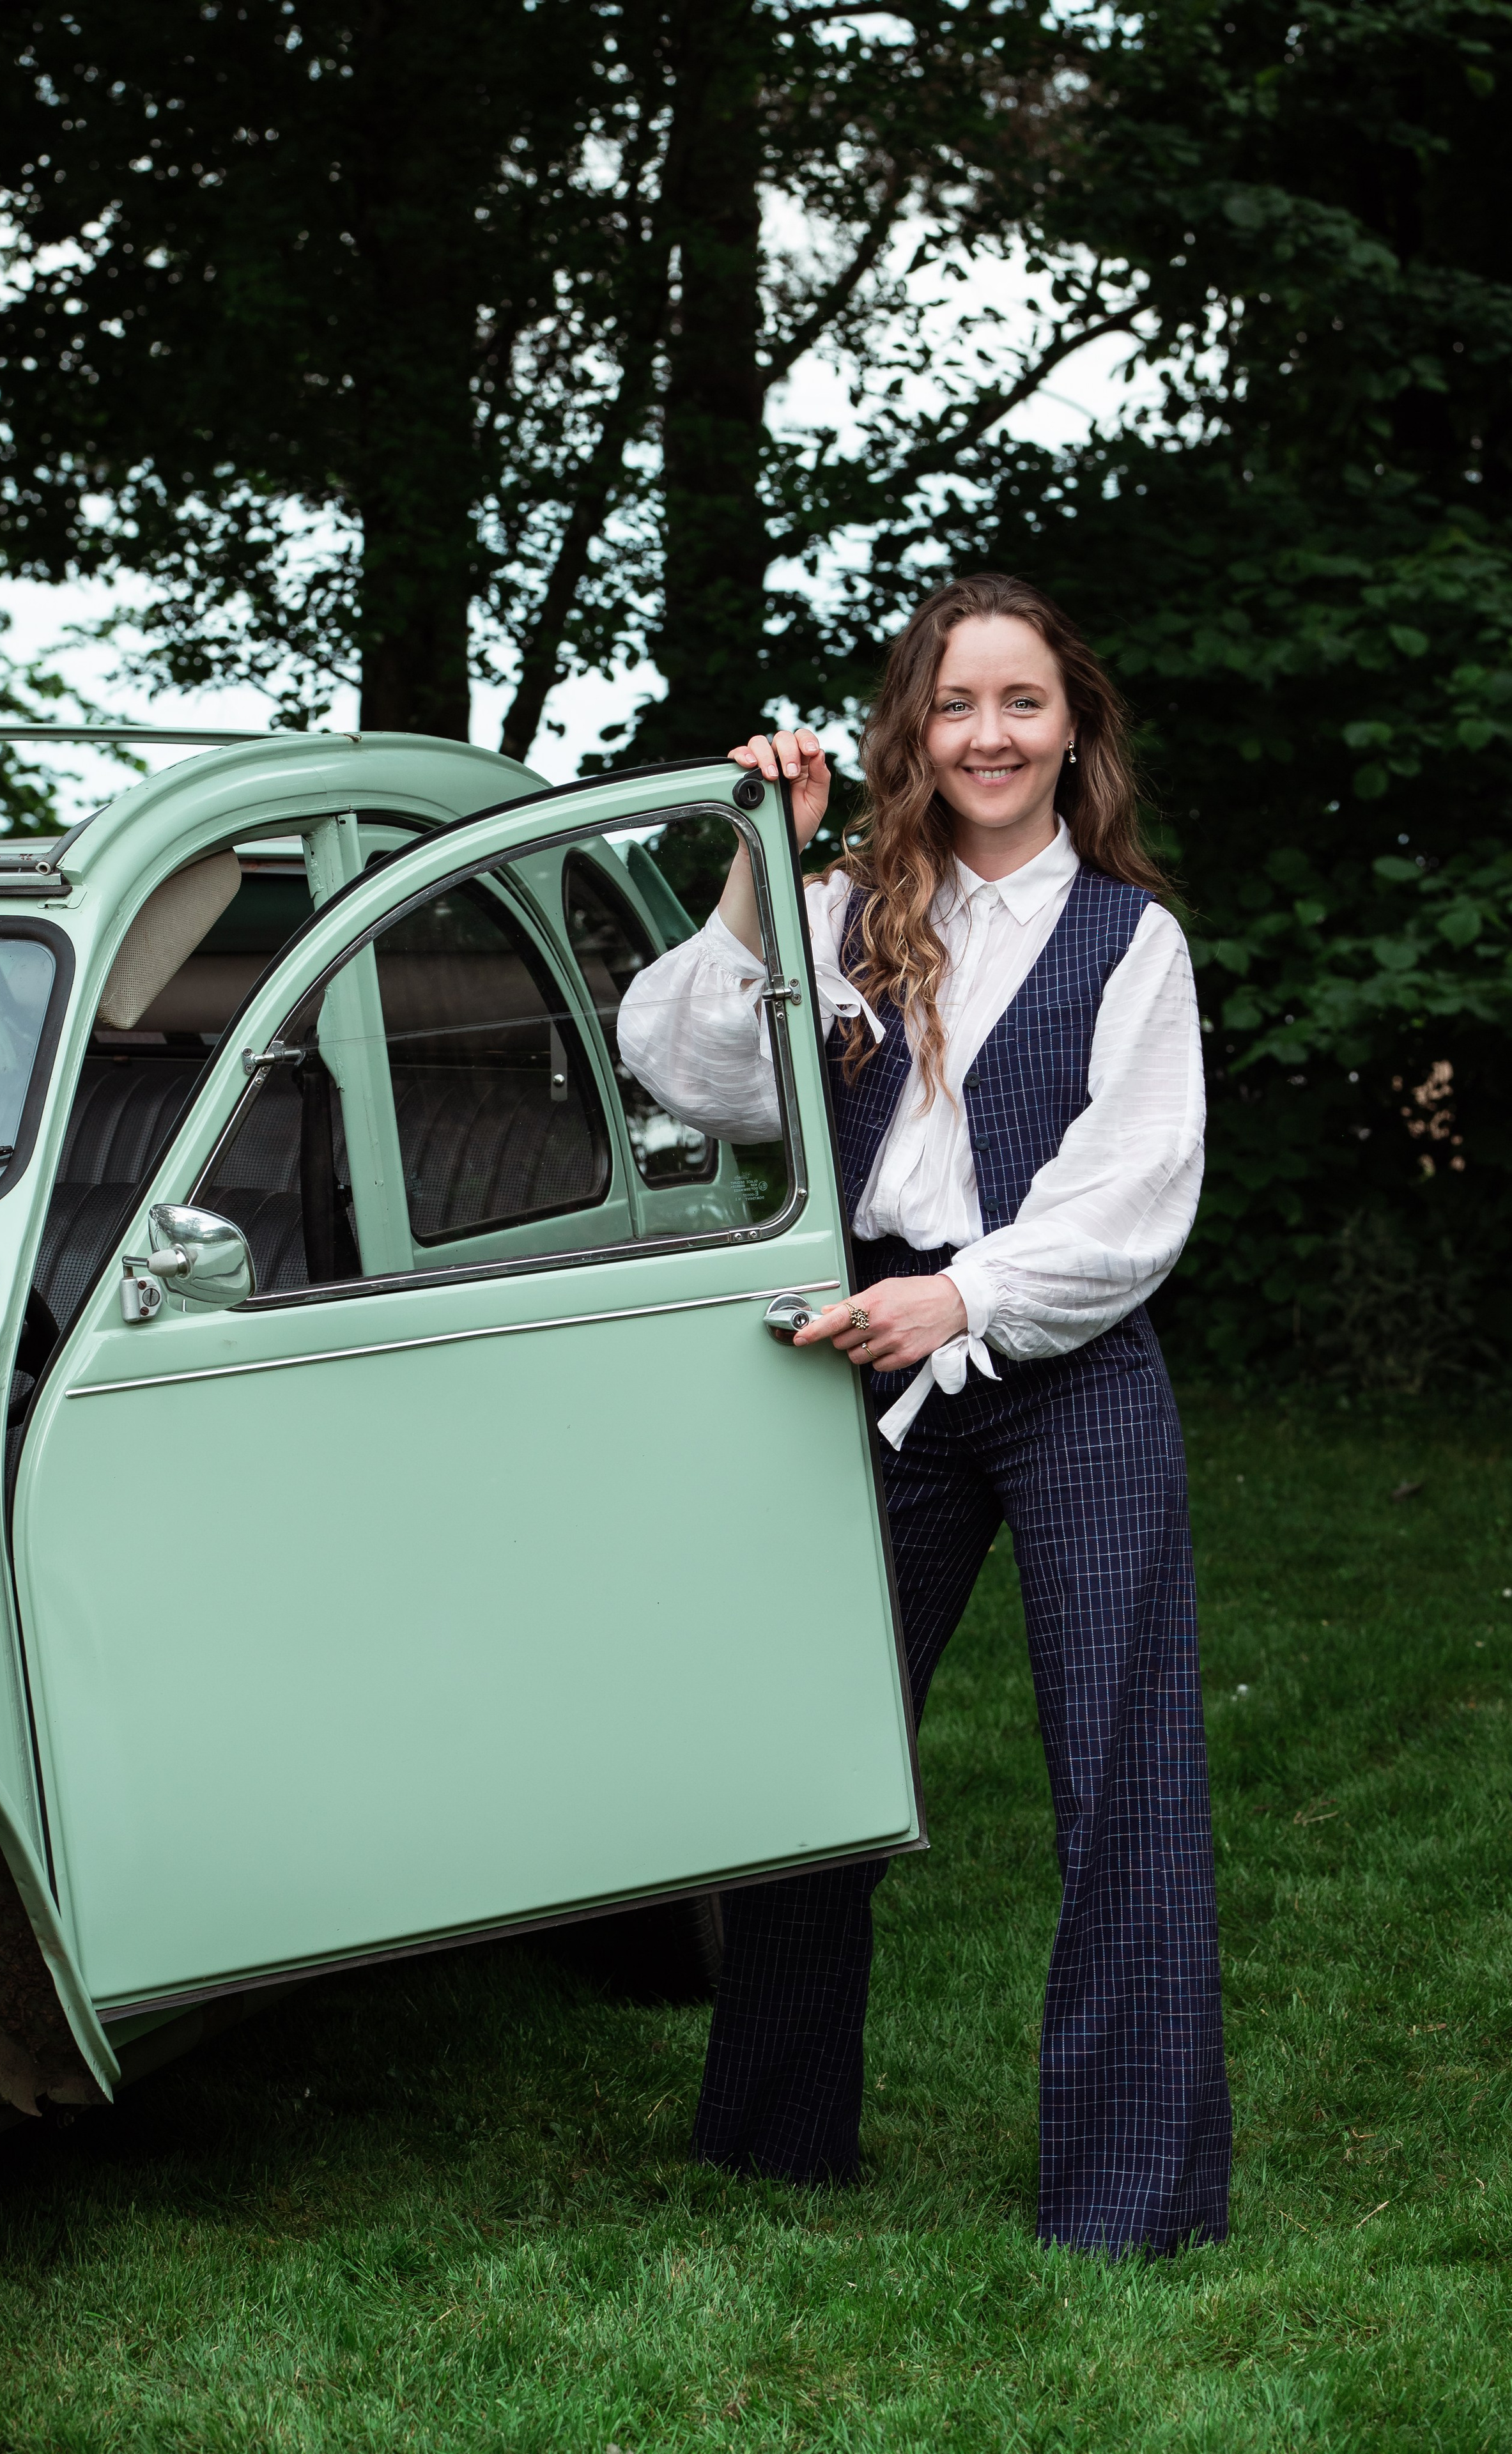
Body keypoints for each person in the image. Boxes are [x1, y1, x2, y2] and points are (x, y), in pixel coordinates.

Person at [616, 571, 1231, 2256]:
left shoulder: (1131, 937)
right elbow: (692, 1071)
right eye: (957, 704)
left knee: (1126, 1771)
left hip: (1067, 1364)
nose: (989, 734)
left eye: (1023, 702)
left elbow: (1135, 1197)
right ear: (915, 730)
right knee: (815, 1749)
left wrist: (966, 1296)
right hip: (870, 1358)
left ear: (1074, 728)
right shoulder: (844, 911)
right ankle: (773, 2145)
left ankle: (1130, 2203)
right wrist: (763, 860)